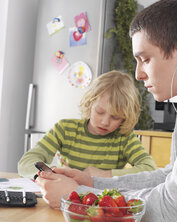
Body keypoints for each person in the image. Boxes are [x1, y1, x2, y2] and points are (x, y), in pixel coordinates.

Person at [35, 0, 177, 222]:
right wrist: (94, 184)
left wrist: (78, 196)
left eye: (145, 59)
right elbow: (172, 176)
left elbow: (174, 207)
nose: (138, 74)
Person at [18, 70, 157, 179]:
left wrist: (105, 175)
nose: (105, 122)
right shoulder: (65, 129)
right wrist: (51, 175)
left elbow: (150, 169)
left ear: (124, 118)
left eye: (115, 117)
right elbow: (27, 162)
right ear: (90, 104)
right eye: (99, 111)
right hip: (64, 197)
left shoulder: (124, 138)